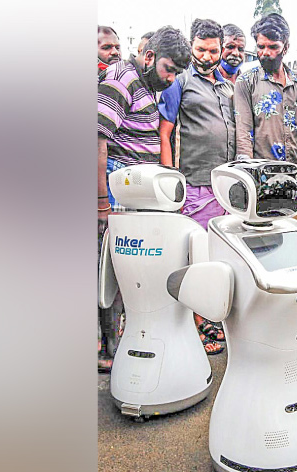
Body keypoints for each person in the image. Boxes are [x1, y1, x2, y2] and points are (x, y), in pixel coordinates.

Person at [97, 27, 191, 370]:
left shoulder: (146, 83)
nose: (171, 78)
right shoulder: (121, 78)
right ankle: (107, 349)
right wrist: (101, 203)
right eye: (169, 69)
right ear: (149, 56)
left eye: (177, 73)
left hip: (133, 191)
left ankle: (117, 343)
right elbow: (96, 140)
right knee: (109, 271)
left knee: (125, 271)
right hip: (115, 189)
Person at [158, 19, 235, 355]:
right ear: (192, 47)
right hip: (194, 185)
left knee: (218, 257)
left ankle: (211, 315)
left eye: (213, 50)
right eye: (201, 49)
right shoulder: (181, 82)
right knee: (196, 257)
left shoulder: (226, 85)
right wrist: (171, 183)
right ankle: (195, 323)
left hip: (224, 185)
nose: (207, 56)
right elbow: (165, 132)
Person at [233, 13, 297, 223]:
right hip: (262, 182)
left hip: (296, 181)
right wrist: (249, 182)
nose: (265, 53)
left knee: (294, 236)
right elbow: (243, 133)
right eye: (261, 46)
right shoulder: (246, 82)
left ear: (286, 47)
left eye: (273, 47)